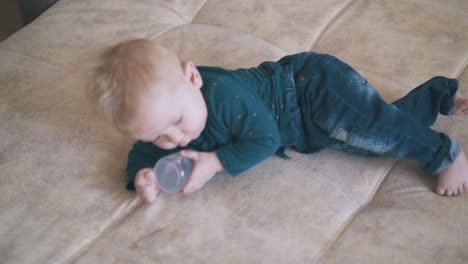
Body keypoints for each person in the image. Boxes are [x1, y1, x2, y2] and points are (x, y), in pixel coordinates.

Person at [91, 38, 468, 203]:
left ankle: (445, 154)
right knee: (377, 138)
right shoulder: (164, 120)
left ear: (193, 78)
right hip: (304, 126)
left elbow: (265, 138)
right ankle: (438, 95)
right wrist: (144, 176)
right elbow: (140, 150)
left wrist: (215, 162)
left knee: (375, 128)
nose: (175, 139)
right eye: (159, 136)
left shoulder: (221, 95)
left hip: (312, 88)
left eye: (175, 122)